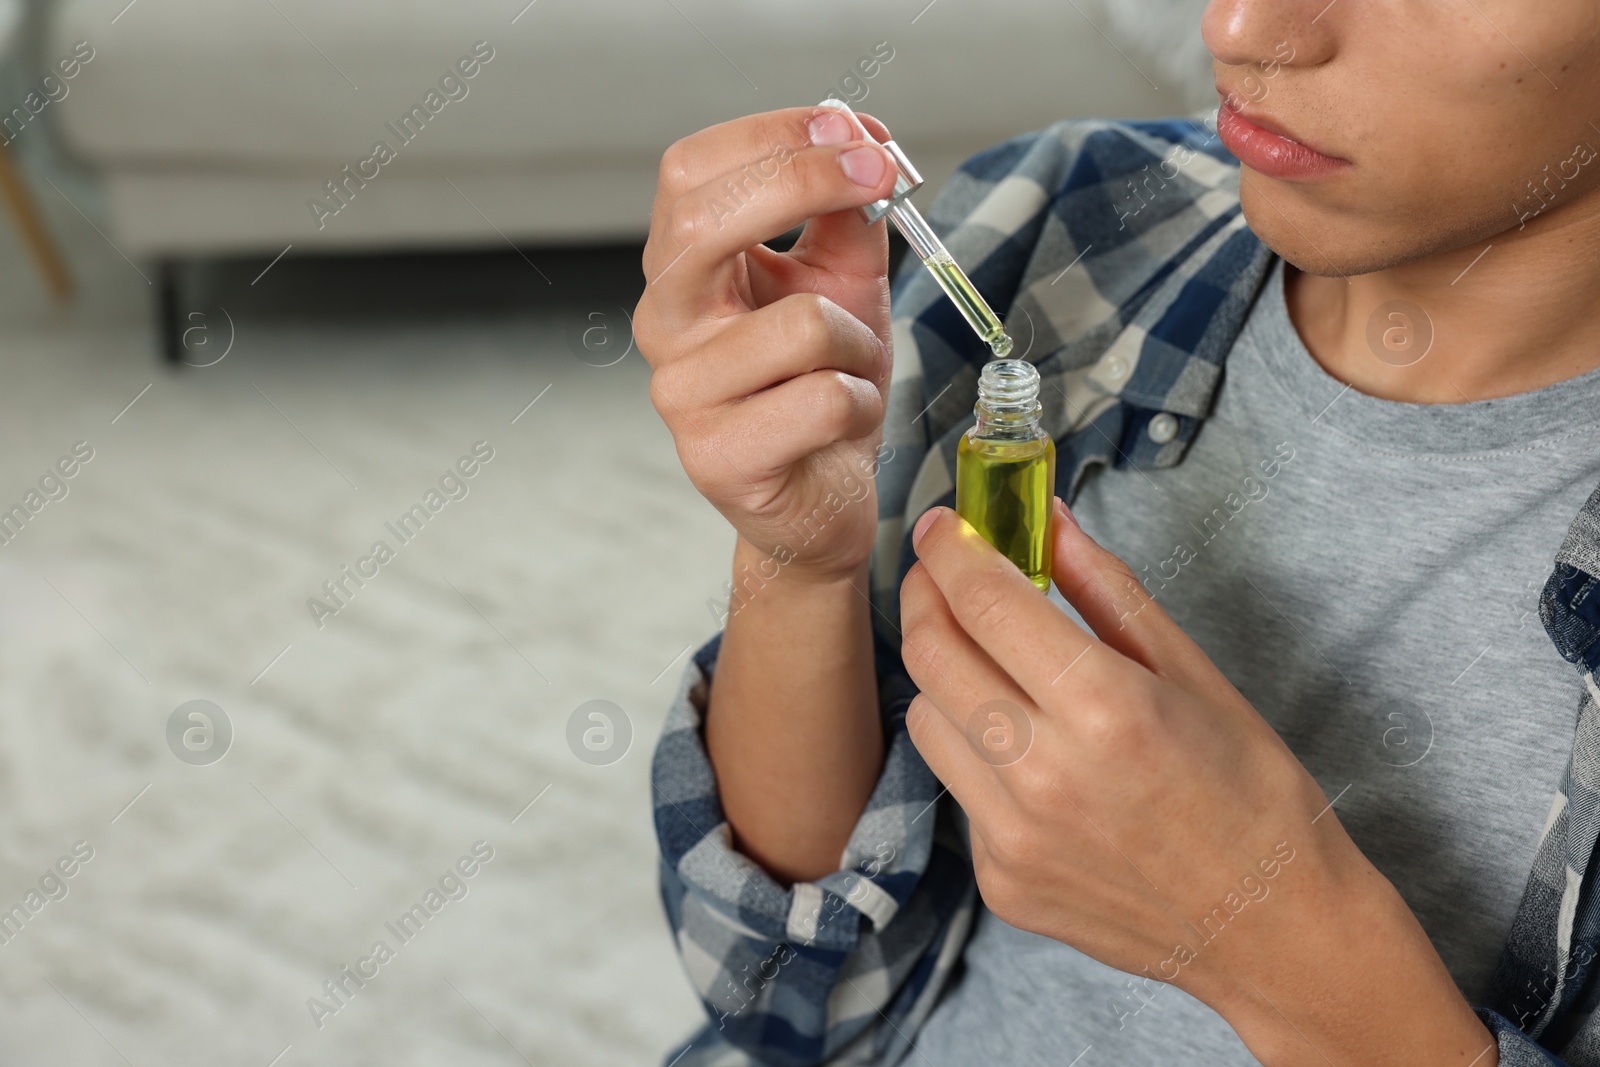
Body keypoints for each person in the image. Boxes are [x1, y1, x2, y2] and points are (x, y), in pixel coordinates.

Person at [634, 1, 1600, 1063]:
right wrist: (796, 557)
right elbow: (785, 998)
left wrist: (1270, 942)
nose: (1236, 24)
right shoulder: (1064, 220)